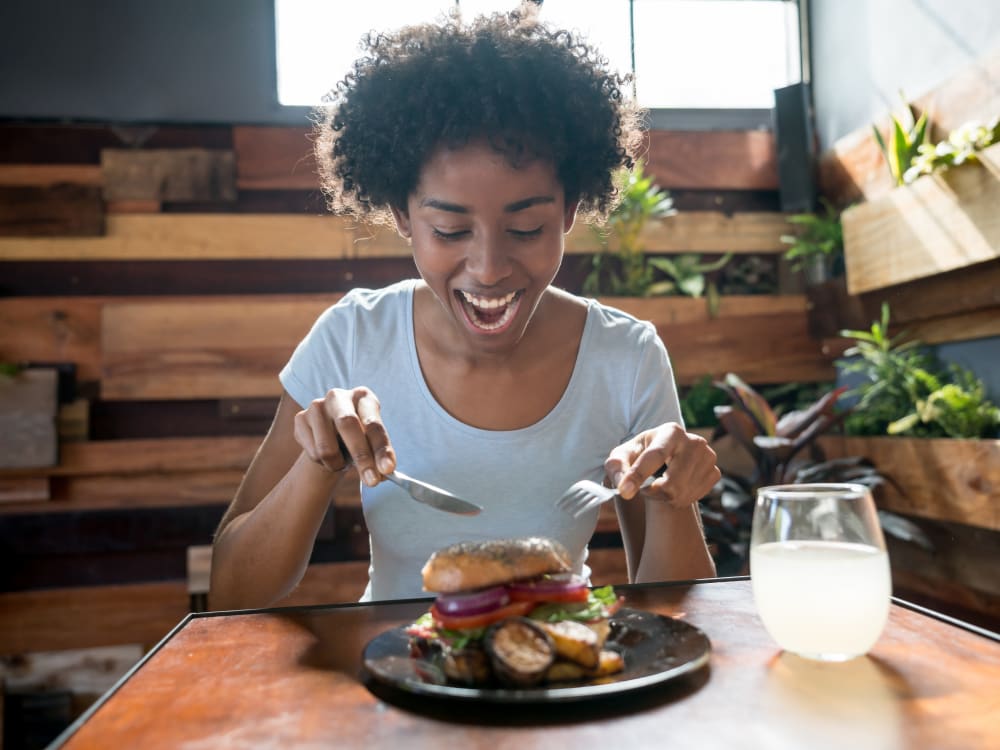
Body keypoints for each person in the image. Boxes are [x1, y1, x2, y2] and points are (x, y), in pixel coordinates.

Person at [209, 3, 719, 610]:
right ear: (402, 215)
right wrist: (318, 464)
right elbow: (231, 592)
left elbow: (672, 608)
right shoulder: (353, 337)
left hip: (557, 676)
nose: (488, 268)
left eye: (526, 228)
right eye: (450, 231)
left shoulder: (625, 357)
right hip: (397, 677)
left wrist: (673, 495)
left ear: (570, 212)